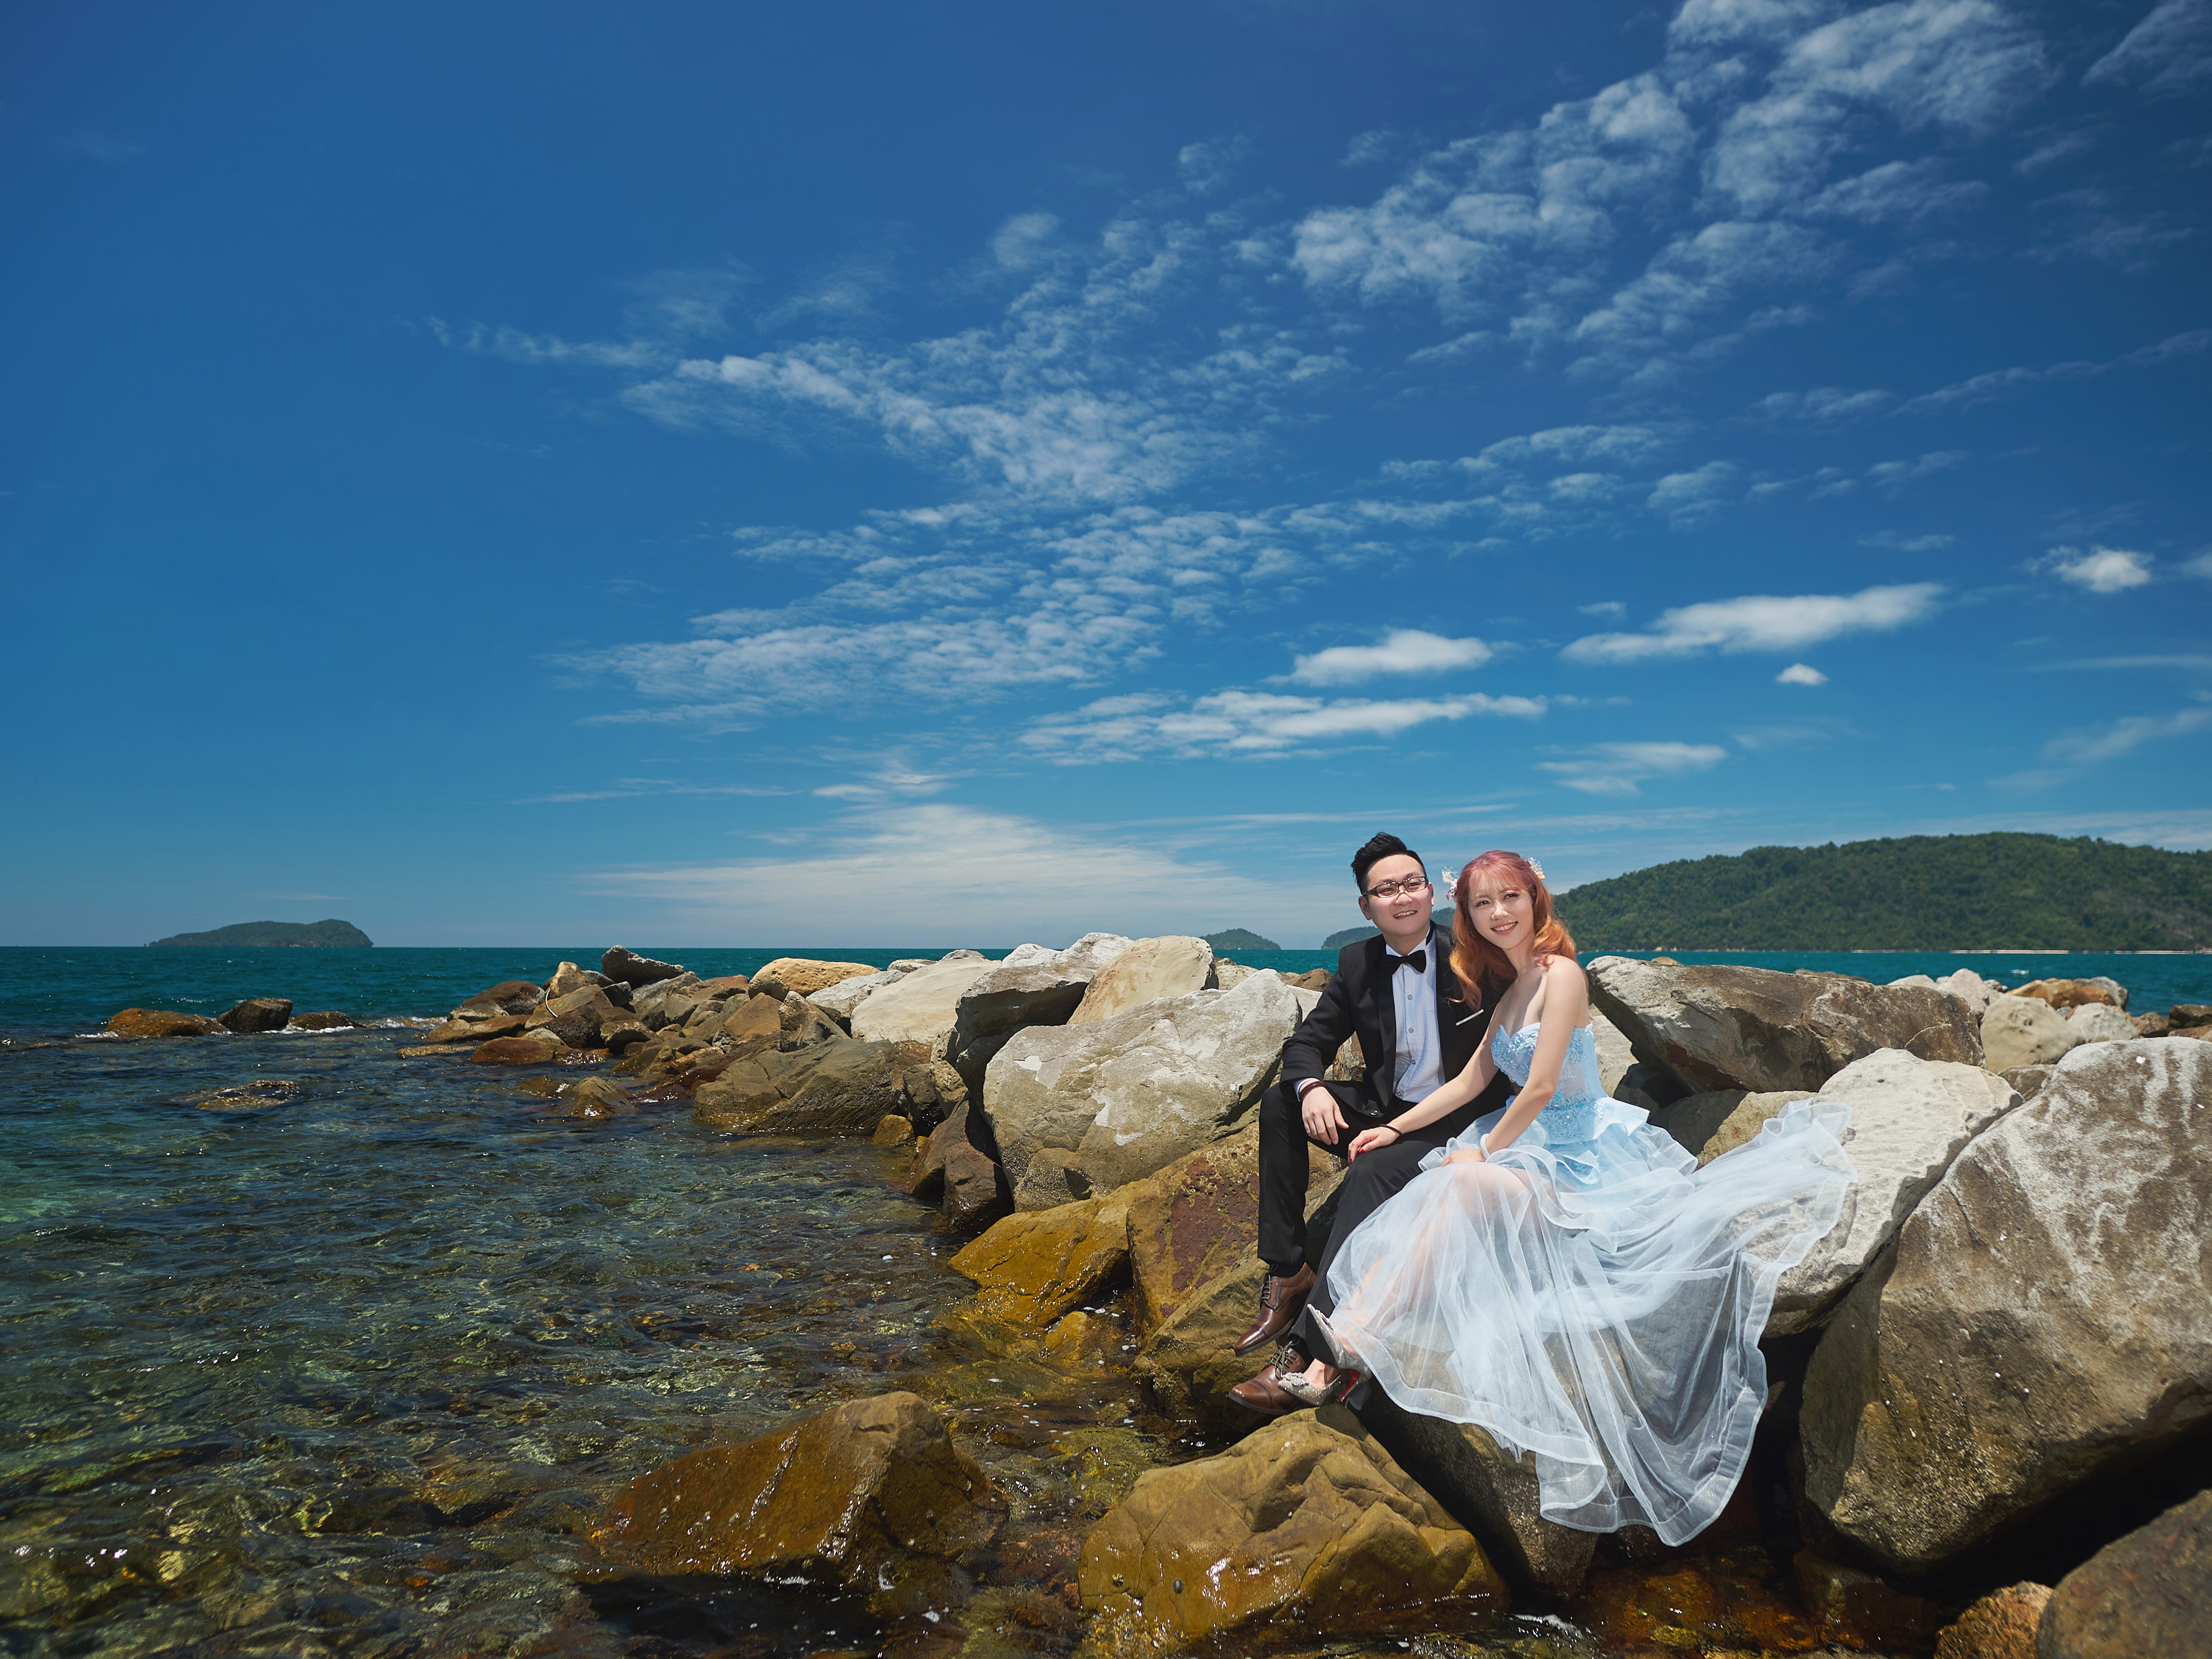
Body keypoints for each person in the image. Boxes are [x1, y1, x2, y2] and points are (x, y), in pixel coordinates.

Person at [1280, 850, 1856, 1545]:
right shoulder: (1513, 987)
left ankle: (1349, 1341)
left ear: (1535, 898)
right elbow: (1469, 1084)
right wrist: (1394, 1129)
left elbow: (1543, 1087)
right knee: (1437, 1183)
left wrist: (1484, 1150)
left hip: (1578, 1158)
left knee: (1457, 1179)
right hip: (1526, 1146)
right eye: (1483, 904)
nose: (1499, 913)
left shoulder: (1563, 976)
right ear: (1468, 916)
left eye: (1510, 897)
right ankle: (1344, 1350)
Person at [1226, 833, 1517, 1417]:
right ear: (1366, 906)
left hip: (1456, 1123)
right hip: (1387, 1108)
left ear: (1431, 893)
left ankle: (1308, 1351)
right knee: (1282, 1103)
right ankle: (1288, 1270)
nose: (1402, 897)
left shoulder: (1476, 957)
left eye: (1412, 884)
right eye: (1386, 890)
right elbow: (1308, 1042)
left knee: (1371, 1172)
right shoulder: (1357, 962)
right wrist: (1311, 1087)